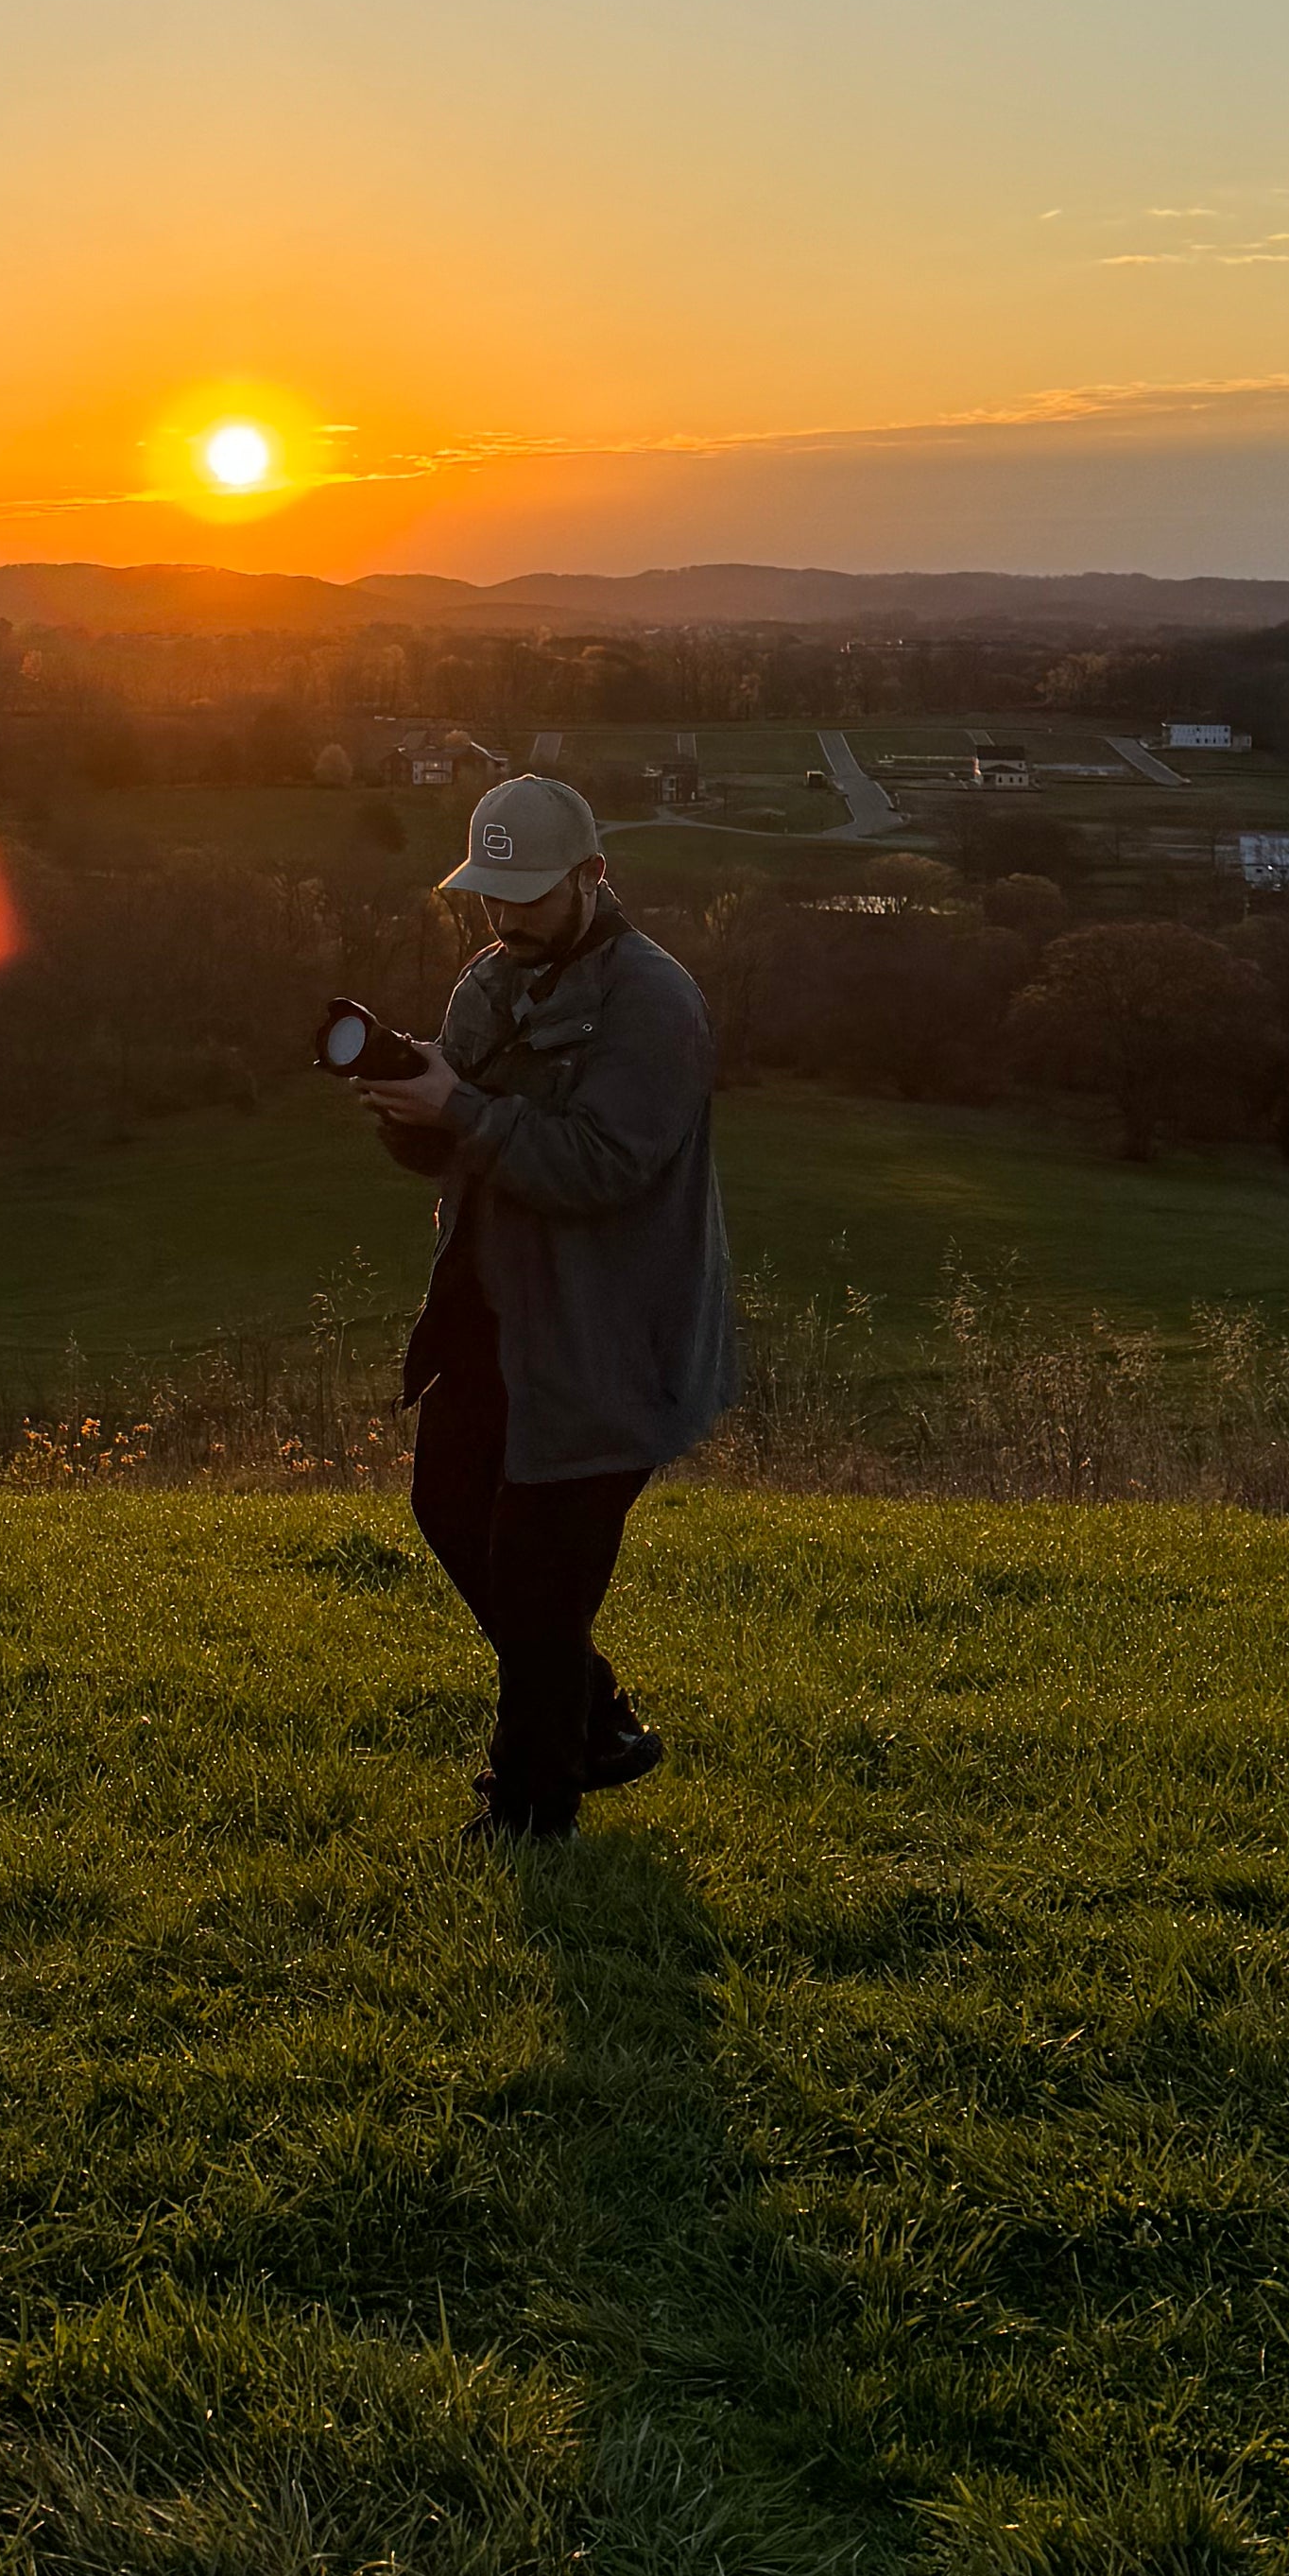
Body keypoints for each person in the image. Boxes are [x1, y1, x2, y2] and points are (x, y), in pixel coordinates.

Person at [353, 772, 732, 1841]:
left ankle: (529, 1811)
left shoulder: (654, 1002)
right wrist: (408, 1110)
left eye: (528, 892)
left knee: (537, 1567)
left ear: (594, 876)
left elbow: (604, 1166)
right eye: (491, 893)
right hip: (490, 1308)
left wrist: (461, 1107)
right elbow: (451, 1150)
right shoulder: (488, 980)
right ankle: (596, 1723)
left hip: (611, 1333)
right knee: (448, 1508)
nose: (507, 915)